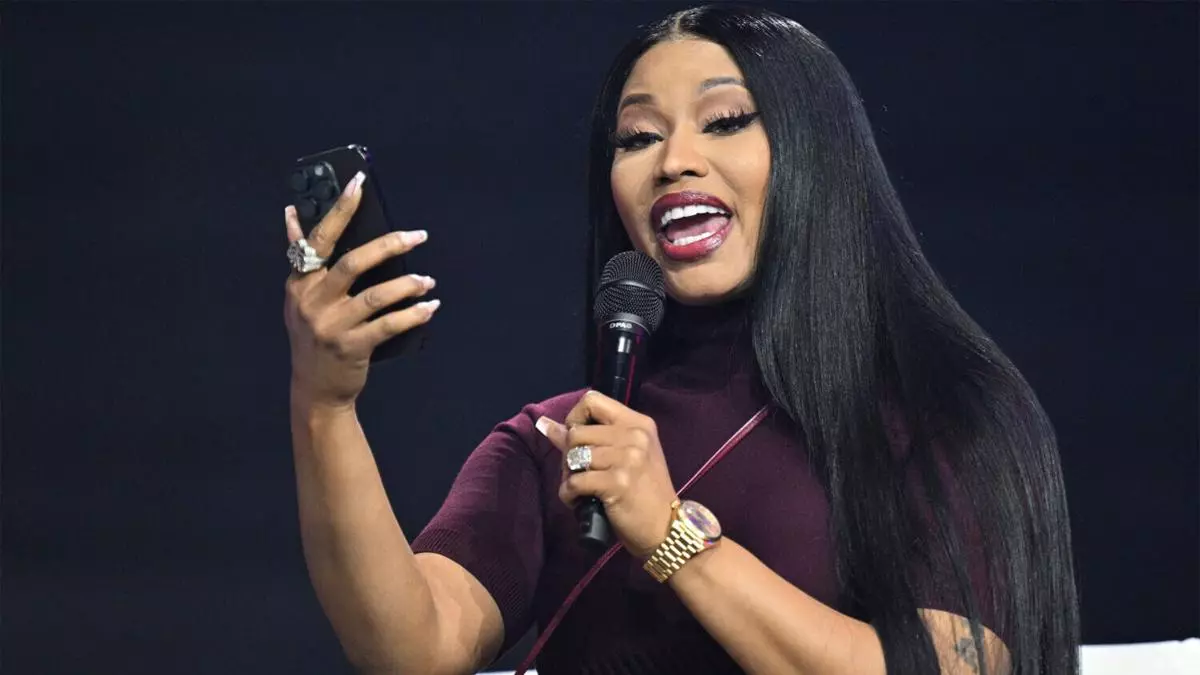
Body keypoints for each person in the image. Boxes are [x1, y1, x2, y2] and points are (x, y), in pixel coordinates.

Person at [282, 5, 1079, 674]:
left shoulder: (943, 412)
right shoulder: (564, 444)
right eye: (636, 138)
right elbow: (411, 648)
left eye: (725, 121)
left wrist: (672, 536)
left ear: (817, 156)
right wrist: (324, 403)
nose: (673, 162)